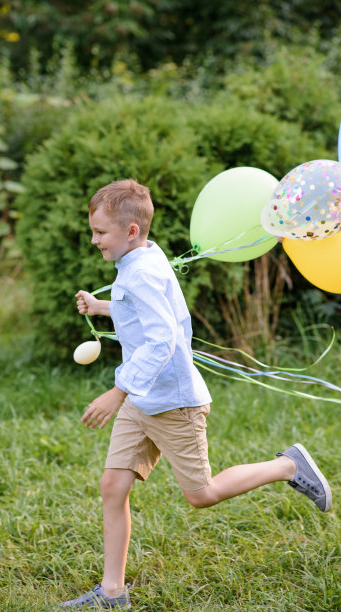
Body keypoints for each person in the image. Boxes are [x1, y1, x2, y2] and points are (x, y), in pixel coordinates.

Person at [60, 179, 332, 610]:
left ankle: (286, 465)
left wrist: (117, 391)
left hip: (173, 404)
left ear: (130, 231)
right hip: (143, 399)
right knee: (113, 485)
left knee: (201, 494)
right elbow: (147, 312)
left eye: (100, 232)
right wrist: (103, 307)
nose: (94, 240)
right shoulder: (142, 258)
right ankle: (112, 593)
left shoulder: (144, 271)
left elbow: (162, 339)